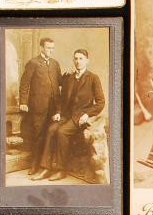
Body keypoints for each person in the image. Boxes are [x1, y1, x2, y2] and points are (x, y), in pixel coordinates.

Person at [32, 49, 105, 181]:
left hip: (80, 118)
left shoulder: (93, 78)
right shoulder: (69, 78)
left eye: (81, 59)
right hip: (66, 115)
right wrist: (58, 112)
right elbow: (61, 99)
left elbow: (101, 102)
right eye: (75, 58)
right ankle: (46, 168)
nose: (78, 61)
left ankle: (61, 170)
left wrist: (87, 115)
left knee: (62, 132)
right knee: (51, 129)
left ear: (87, 61)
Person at [18, 37, 62, 173]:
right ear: (42, 48)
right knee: (38, 135)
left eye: (52, 48)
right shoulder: (33, 63)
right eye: (48, 48)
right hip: (38, 106)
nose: (51, 50)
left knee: (51, 134)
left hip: (54, 107)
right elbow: (24, 83)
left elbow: (60, 81)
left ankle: (47, 166)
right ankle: (35, 165)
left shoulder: (55, 63)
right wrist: (23, 102)